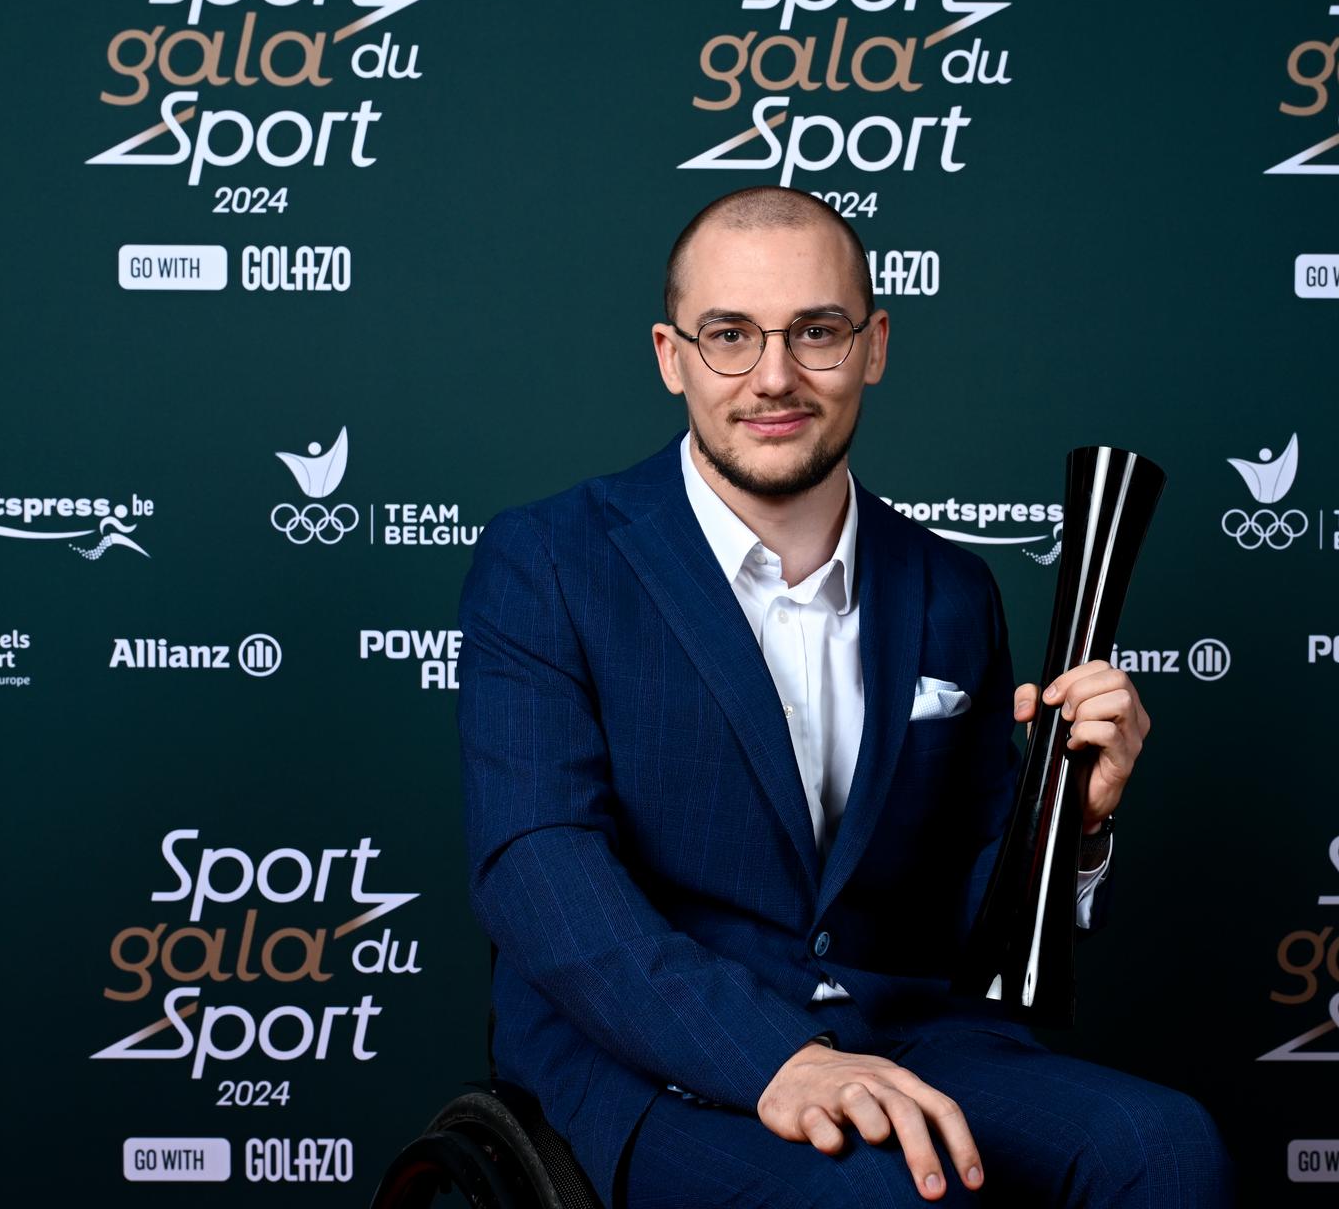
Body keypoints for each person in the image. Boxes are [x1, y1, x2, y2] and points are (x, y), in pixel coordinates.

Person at [457, 186, 1232, 1207]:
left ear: (873, 344)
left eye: (816, 331)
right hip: (656, 1060)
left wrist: (1071, 826)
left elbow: (969, 911)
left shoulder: (951, 586)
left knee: (1165, 1143)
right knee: (882, 1196)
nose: (774, 376)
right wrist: (775, 1056)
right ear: (670, 353)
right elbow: (541, 870)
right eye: (730, 334)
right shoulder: (551, 560)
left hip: (907, 1035)